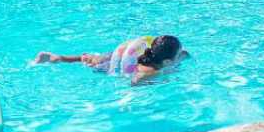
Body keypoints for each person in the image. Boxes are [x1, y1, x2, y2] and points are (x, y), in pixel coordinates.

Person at [35, 35, 186, 84]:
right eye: (178, 53)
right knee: (91, 62)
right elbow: (134, 82)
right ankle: (59, 58)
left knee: (94, 57)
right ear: (166, 61)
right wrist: (158, 79)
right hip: (116, 66)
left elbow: (183, 54)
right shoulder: (150, 72)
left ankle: (58, 57)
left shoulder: (152, 54)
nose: (182, 53)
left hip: (123, 55)